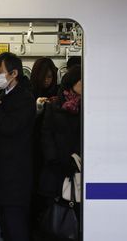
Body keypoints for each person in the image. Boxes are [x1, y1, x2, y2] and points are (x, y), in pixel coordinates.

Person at [0, 52, 36, 241]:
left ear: (14, 74)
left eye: (0, 71)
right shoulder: (3, 95)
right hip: (2, 170)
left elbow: (9, 126)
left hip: (16, 172)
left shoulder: (24, 98)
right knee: (4, 221)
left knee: (15, 223)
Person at [39, 65, 82, 239]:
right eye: (82, 81)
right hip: (56, 169)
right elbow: (46, 135)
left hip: (79, 166)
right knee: (57, 213)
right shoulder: (55, 105)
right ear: (72, 83)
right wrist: (56, 159)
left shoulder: (89, 106)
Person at [28, 57, 60, 236]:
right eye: (45, 77)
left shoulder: (59, 93)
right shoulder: (29, 93)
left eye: (51, 77)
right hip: (33, 148)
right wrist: (37, 109)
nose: (48, 80)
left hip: (51, 148)